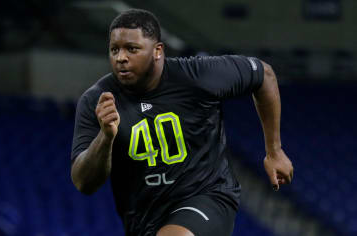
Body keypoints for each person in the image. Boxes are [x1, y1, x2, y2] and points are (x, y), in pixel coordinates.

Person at [71, 9, 293, 236]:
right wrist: (105, 137)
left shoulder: (196, 75)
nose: (121, 58)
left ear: (157, 51)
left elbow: (264, 75)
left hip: (207, 196)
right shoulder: (97, 101)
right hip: (143, 216)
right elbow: (83, 183)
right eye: (114, 50)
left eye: (132, 49)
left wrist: (274, 150)